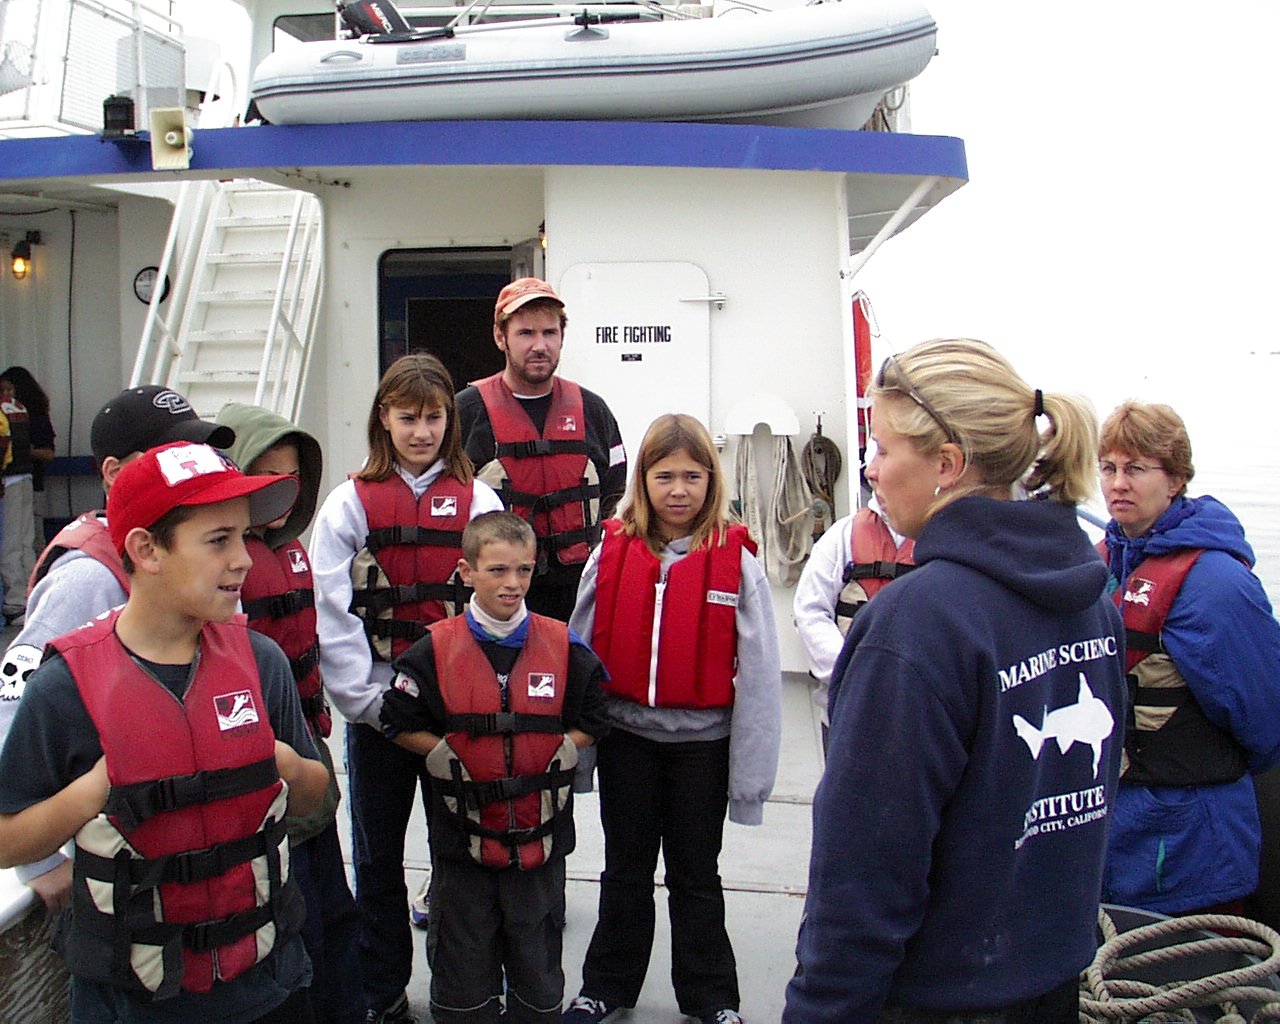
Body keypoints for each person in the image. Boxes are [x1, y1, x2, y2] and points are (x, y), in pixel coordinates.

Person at [783, 339, 1126, 1023]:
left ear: (946, 464)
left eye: (882, 449)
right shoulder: (1093, 603)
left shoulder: (915, 626)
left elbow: (865, 875)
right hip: (1051, 981)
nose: (870, 469)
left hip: (934, 999)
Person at [0, 439, 331, 1023]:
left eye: (244, 536)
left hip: (268, 988)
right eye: (218, 540)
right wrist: (93, 792)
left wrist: (281, 762)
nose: (244, 559)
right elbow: (8, 840)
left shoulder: (262, 663)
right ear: (146, 549)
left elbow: (314, 796)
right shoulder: (64, 687)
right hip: (129, 1004)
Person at [564, 413, 782, 1024]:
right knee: (624, 870)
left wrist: (749, 785)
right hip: (627, 742)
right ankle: (606, 986)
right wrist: (579, 761)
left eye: (692, 476)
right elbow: (579, 660)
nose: (679, 490)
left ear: (712, 481)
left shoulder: (737, 563)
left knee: (696, 875)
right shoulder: (609, 553)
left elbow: (761, 678)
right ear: (642, 480)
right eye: (664, 477)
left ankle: (713, 998)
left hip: (701, 750)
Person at [310, 353, 503, 1024]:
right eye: (408, 417)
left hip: (458, 718)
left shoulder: (480, 502)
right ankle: (382, 989)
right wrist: (366, 701)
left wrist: (479, 699)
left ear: (451, 421)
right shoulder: (347, 505)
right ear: (384, 420)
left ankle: (461, 988)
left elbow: (500, 603)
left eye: (434, 417)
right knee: (377, 859)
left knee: (462, 857)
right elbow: (331, 610)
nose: (421, 432)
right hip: (379, 718)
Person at [0, 385, 234, 918]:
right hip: (117, 876)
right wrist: (38, 863)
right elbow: (14, 712)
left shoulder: (199, 559)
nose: (189, 467)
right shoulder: (87, 578)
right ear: (112, 473)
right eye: (168, 456)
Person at [380, 511, 610, 1023]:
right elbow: (396, 720)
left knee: (537, 969)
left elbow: (597, 716)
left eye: (524, 570)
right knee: (462, 973)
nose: (513, 583)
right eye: (498, 570)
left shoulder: (564, 647)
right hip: (462, 849)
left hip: (540, 848)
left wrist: (564, 748)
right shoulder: (432, 650)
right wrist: (439, 751)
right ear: (467, 572)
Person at [1096, 401, 1280, 917]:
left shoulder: (1216, 586)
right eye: (1108, 468)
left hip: (1191, 844)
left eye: (1136, 468)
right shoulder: (1100, 565)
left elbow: (1264, 718)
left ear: (1175, 479)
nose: (1118, 484)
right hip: (1110, 833)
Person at [217, 401, 363, 1024]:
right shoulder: (225, 569)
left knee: (337, 909)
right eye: (266, 474)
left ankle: (349, 1008)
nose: (283, 488)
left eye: (294, 477)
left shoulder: (293, 549)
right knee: (297, 921)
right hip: (264, 779)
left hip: (310, 759)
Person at [456, 277, 627, 622]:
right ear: (500, 337)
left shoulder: (593, 411)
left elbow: (614, 488)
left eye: (549, 333)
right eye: (525, 333)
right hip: (499, 603)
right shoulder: (466, 412)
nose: (540, 345)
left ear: (562, 337)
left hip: (579, 598)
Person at [792, 502, 914, 755]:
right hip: (847, 711)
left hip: (920, 713)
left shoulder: (944, 538)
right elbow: (810, 611)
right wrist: (854, 673)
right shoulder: (841, 536)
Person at [1, 369, 53, 624]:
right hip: (24, 478)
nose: (7, 395)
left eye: (8, 389)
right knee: (24, 542)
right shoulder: (21, 409)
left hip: (12, 480)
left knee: (15, 543)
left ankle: (17, 601)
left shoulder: (7, 411)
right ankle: (27, 597)